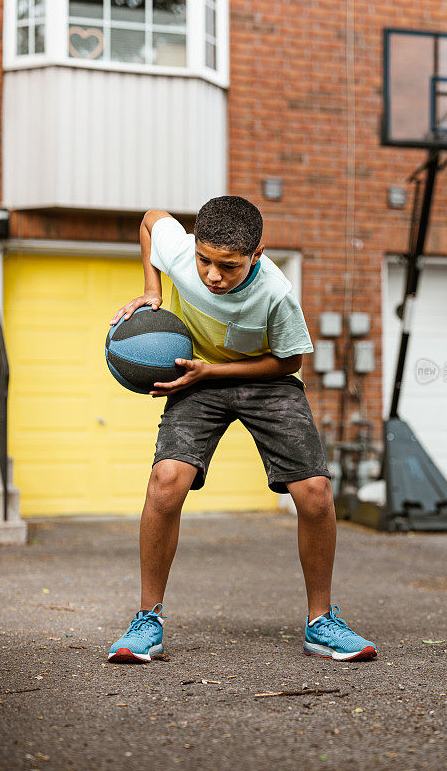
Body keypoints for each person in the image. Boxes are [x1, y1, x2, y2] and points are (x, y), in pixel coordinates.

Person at [107, 196, 377, 663]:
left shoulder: (276, 292)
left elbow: (290, 360)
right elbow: (151, 219)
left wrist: (212, 373)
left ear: (256, 254)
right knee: (166, 483)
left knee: (314, 492)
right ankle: (147, 620)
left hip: (266, 380)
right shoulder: (181, 252)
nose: (212, 275)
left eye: (228, 267)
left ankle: (322, 622)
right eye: (204, 261)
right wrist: (152, 289)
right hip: (196, 375)